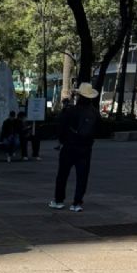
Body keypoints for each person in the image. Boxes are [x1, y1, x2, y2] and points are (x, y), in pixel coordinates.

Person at [48, 82, 99, 212]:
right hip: (85, 148)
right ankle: (77, 203)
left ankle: (59, 201)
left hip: (69, 147)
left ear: (79, 96)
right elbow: (100, 130)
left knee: (62, 175)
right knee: (82, 176)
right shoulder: (94, 112)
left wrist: (62, 141)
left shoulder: (71, 111)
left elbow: (60, 127)